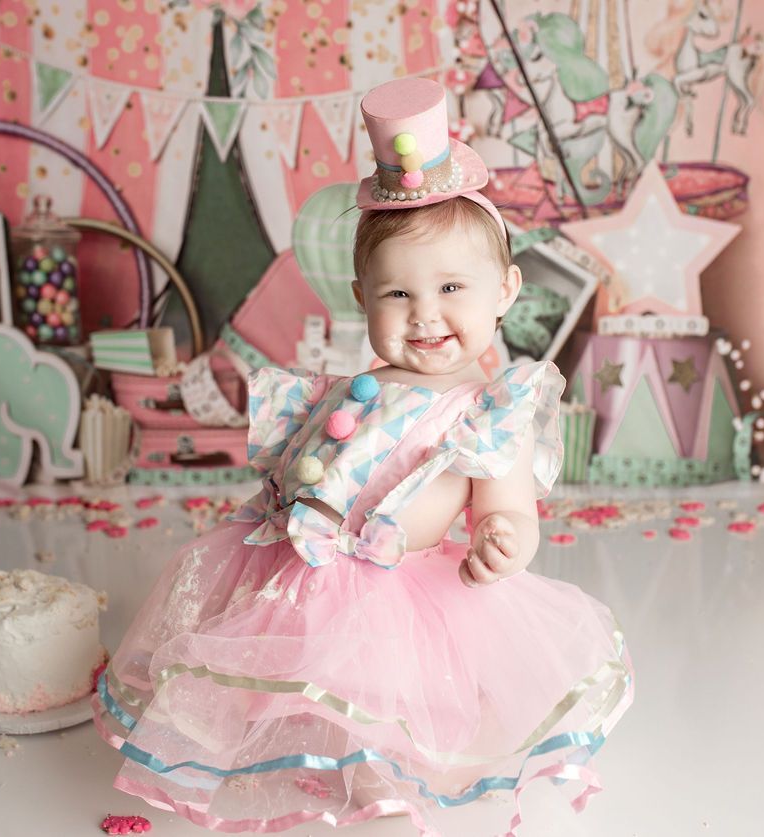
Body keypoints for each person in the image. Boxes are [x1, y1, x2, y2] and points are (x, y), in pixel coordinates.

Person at [93, 77, 633, 837]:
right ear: (361, 296)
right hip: (300, 572)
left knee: (388, 702)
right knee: (300, 688)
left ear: (505, 289)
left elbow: (508, 503)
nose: (426, 315)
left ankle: (386, 797)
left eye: (451, 286)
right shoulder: (346, 386)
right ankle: (303, 767)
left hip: (400, 592)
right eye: (398, 296)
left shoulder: (487, 409)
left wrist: (503, 539)